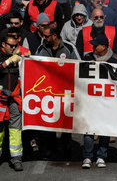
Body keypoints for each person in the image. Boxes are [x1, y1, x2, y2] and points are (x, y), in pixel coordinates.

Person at [35, 23, 80, 161]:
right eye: (43, 35)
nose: (43, 38)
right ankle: (51, 149)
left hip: (66, 92)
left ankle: (66, 147)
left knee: (65, 122)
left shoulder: (69, 47)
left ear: (55, 36)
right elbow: (34, 64)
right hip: (48, 93)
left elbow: (79, 65)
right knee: (50, 122)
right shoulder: (41, 48)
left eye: (46, 36)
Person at [81, 34, 117, 169]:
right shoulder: (87, 58)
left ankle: (101, 156)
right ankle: (87, 157)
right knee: (88, 129)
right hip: (90, 100)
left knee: (104, 128)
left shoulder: (115, 61)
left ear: (104, 47)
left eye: (95, 45)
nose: (93, 47)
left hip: (107, 101)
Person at [0, 30, 23, 171]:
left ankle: (16, 158)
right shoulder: (5, 57)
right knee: (0, 128)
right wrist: (7, 62)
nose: (13, 48)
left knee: (15, 128)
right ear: (3, 44)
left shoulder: (18, 57)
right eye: (10, 46)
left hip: (14, 97)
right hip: (0, 98)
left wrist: (26, 58)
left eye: (15, 46)